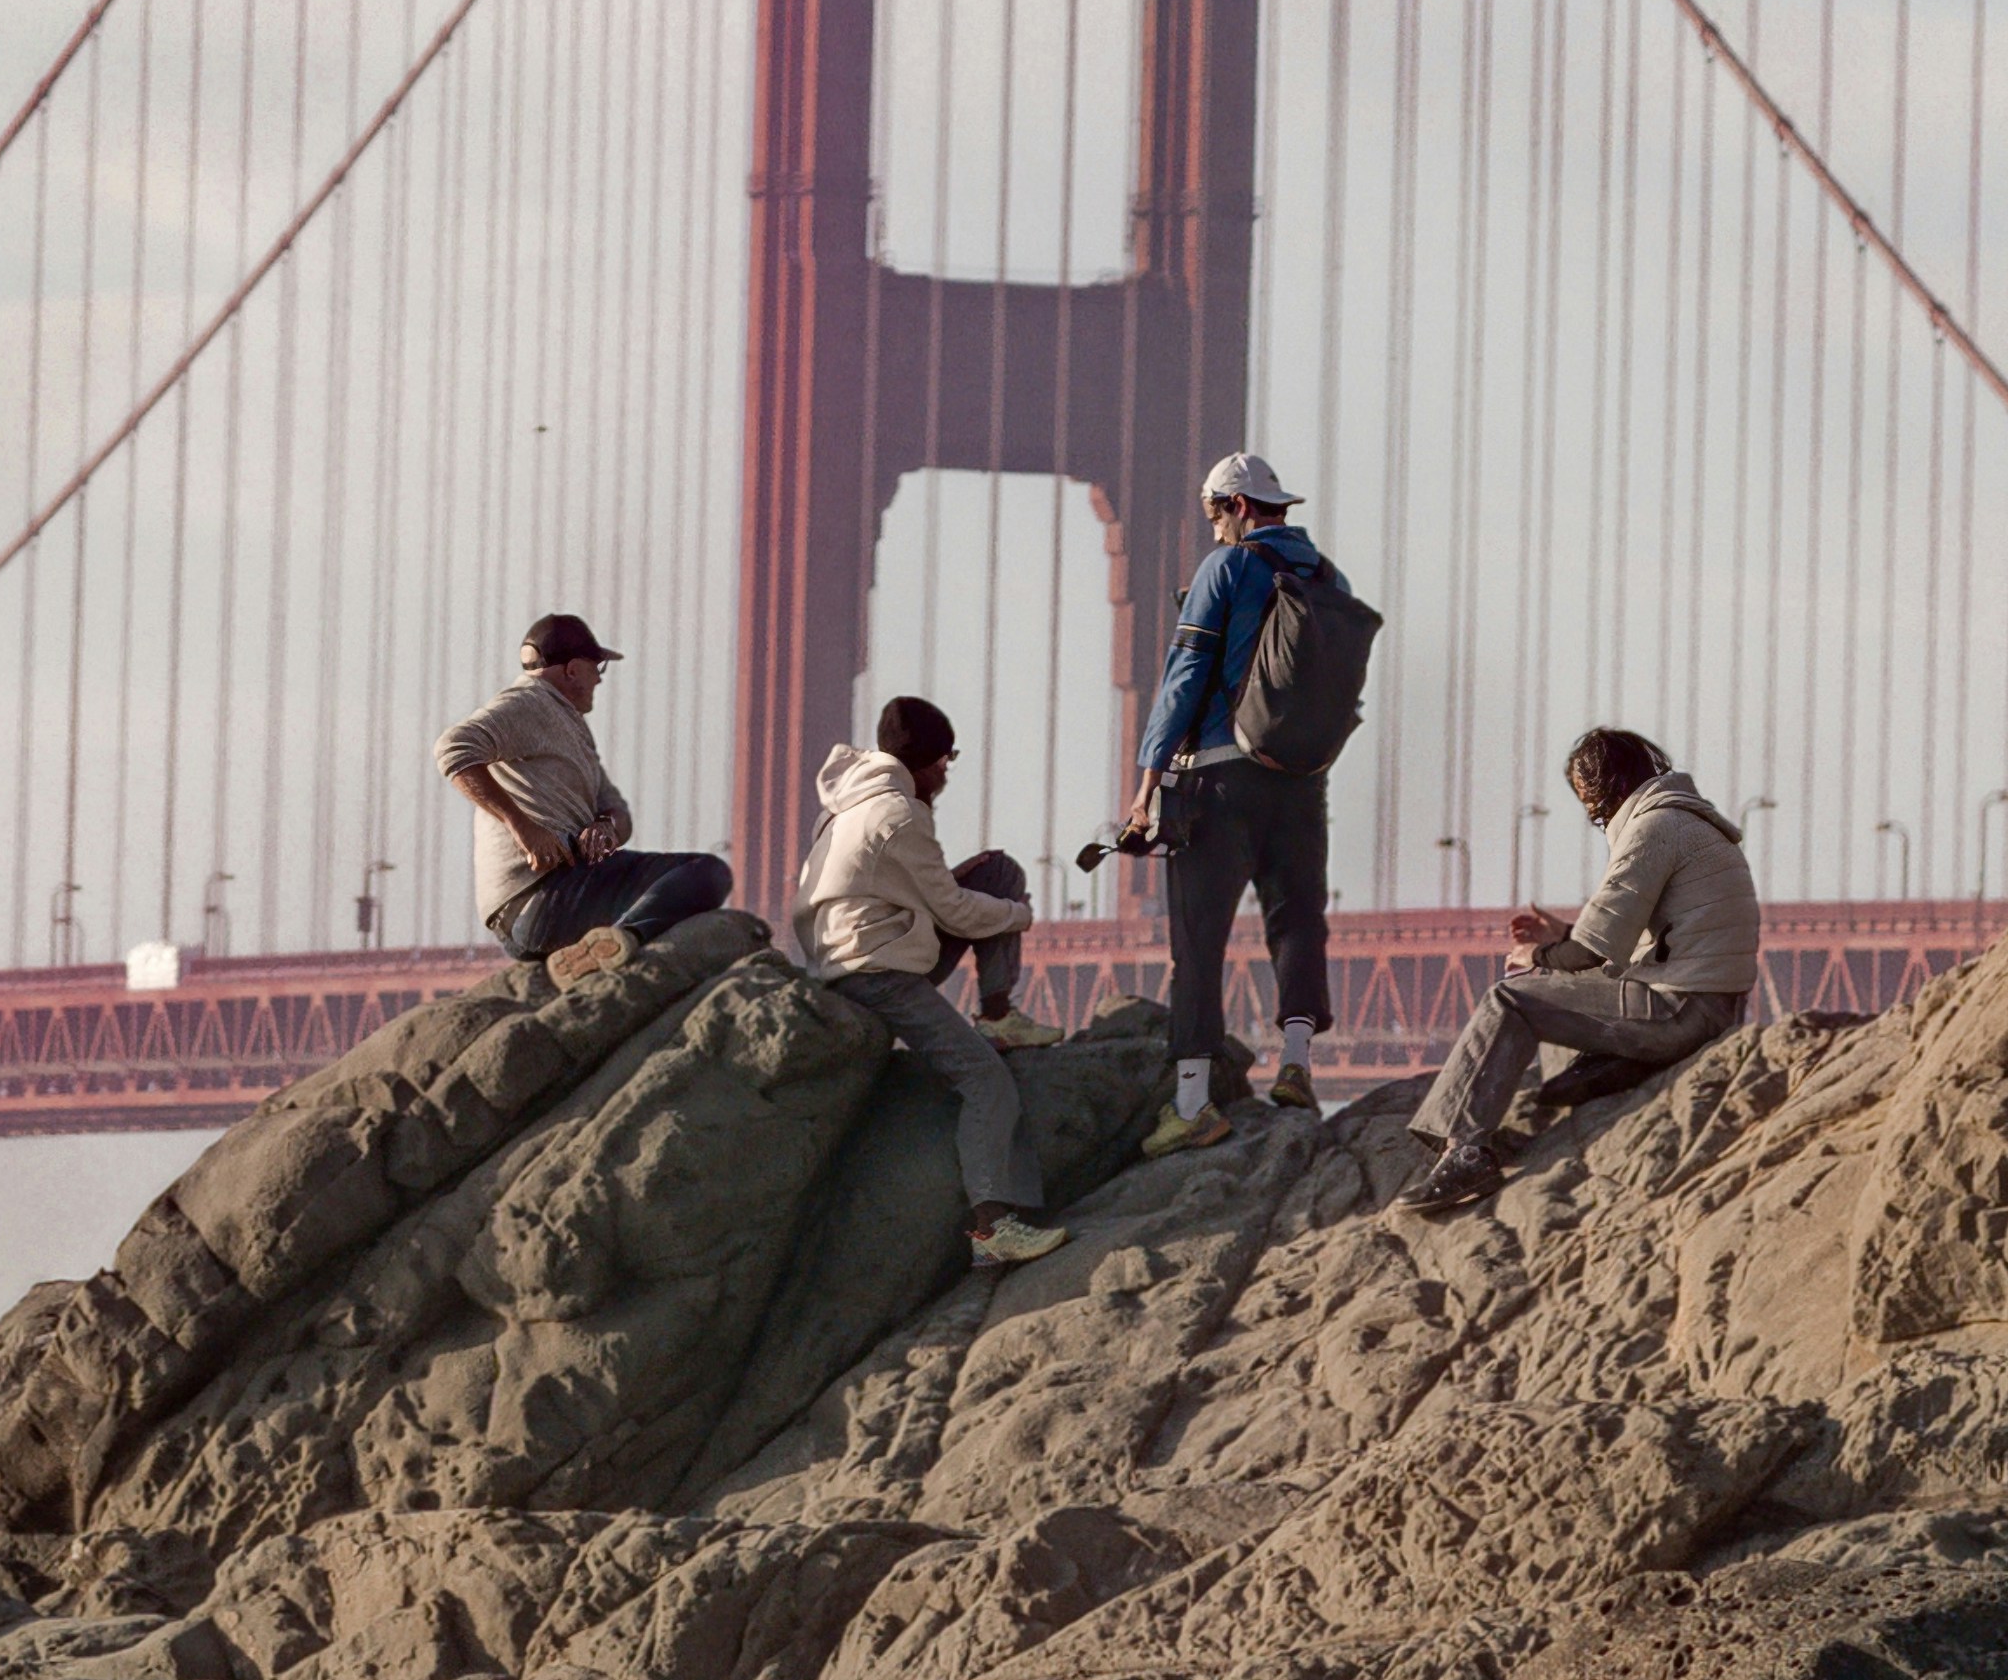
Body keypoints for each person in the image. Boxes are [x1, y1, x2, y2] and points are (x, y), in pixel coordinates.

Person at [1404, 726, 1763, 1214]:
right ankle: (1575, 1092)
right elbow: (1650, 937)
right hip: (1708, 1006)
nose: (1589, 809)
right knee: (1556, 985)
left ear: (1609, 787)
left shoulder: (1652, 829)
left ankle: (1462, 1151)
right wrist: (1562, 935)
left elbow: (1590, 955)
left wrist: (1536, 956)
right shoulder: (1691, 823)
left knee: (1511, 998)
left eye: (1589, 801)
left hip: (1679, 1009)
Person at [1120, 450, 1350, 1154]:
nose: (1215, 529)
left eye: (1216, 514)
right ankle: (1298, 1066)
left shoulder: (1227, 568)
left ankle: (1193, 1104)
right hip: (1302, 781)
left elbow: (1184, 675)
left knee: (1198, 938)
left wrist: (1145, 786)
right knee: (1297, 919)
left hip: (1217, 777)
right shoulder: (1327, 577)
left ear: (1239, 507)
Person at [794, 693, 1072, 1269]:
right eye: (944, 762)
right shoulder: (896, 815)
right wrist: (1019, 916)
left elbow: (943, 900)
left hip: (859, 951)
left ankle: (998, 1014)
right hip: (874, 974)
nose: (946, 774)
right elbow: (958, 914)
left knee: (997, 872)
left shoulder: (848, 803)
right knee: (987, 1081)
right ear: (923, 762)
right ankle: (993, 1226)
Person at [436, 611, 734, 982]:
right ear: (573, 670)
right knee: (707, 873)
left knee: (696, 879)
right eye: (597, 668)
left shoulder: (571, 728)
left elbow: (618, 810)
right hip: (541, 897)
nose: (599, 679)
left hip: (551, 901)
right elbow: (453, 749)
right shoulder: (529, 703)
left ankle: (597, 950)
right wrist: (524, 828)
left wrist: (604, 827)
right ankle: (620, 944)